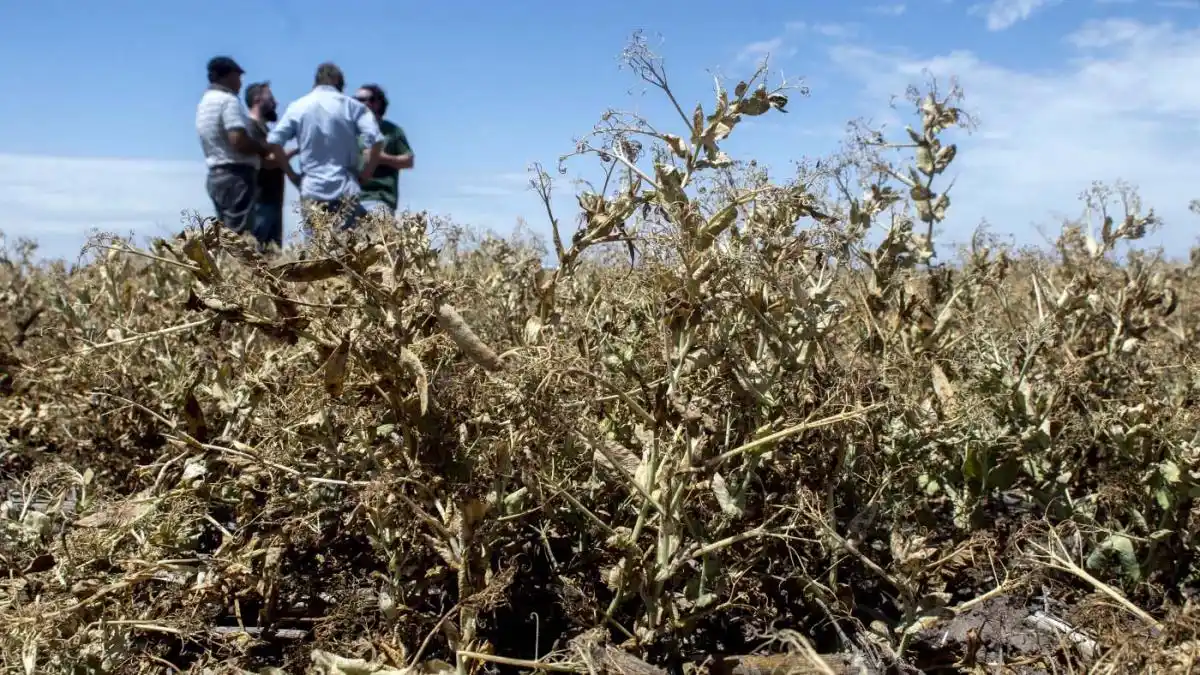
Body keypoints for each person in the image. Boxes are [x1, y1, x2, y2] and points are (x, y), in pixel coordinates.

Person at [266, 62, 383, 233]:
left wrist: (291, 175)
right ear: (338, 82)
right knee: (346, 251)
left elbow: (274, 141)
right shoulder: (352, 106)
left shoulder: (298, 106)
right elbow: (377, 140)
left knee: (316, 250)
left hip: (312, 187)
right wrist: (366, 173)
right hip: (345, 187)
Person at [194, 56, 271, 235]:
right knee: (240, 237)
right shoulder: (228, 101)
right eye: (238, 77)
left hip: (215, 174)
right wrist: (262, 148)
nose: (240, 83)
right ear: (226, 76)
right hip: (236, 176)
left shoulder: (204, 102)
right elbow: (237, 139)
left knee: (226, 235)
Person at [244, 81, 300, 250]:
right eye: (271, 98)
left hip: (271, 201)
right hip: (260, 201)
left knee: (271, 256)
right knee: (258, 253)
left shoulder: (264, 130)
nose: (275, 103)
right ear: (257, 99)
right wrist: (297, 150)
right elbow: (267, 162)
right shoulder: (250, 127)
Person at [353, 84, 414, 218]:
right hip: (350, 199)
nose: (362, 104)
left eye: (368, 99)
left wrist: (380, 158)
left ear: (378, 103)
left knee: (378, 238)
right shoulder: (350, 131)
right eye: (357, 100)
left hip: (379, 198)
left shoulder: (392, 131)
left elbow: (409, 161)